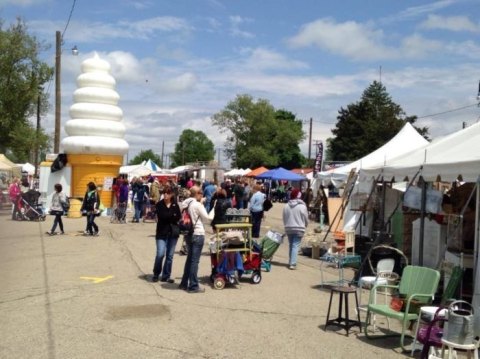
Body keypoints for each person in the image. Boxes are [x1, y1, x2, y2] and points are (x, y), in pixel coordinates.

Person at [179, 186, 210, 293]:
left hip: (188, 233)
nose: (202, 194)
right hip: (197, 233)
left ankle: (184, 283)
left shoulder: (184, 203)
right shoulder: (197, 205)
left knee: (189, 259)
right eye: (200, 192)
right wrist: (205, 205)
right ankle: (193, 285)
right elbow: (207, 218)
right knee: (194, 261)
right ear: (196, 194)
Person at [152, 187, 181, 283]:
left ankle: (166, 275)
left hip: (172, 233)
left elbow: (178, 217)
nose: (165, 195)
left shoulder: (175, 205)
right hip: (161, 233)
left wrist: (172, 216)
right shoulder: (159, 205)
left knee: (170, 256)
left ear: (172, 195)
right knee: (160, 254)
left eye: (168, 193)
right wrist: (172, 215)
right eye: (164, 193)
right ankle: (156, 273)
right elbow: (162, 216)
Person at [282, 188, 309, 270]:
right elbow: (306, 218)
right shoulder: (302, 206)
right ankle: (292, 263)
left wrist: (286, 225)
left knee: (291, 245)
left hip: (289, 227)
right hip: (299, 228)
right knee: (295, 246)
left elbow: (284, 217)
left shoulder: (286, 206)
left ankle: (290, 261)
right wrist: (306, 225)